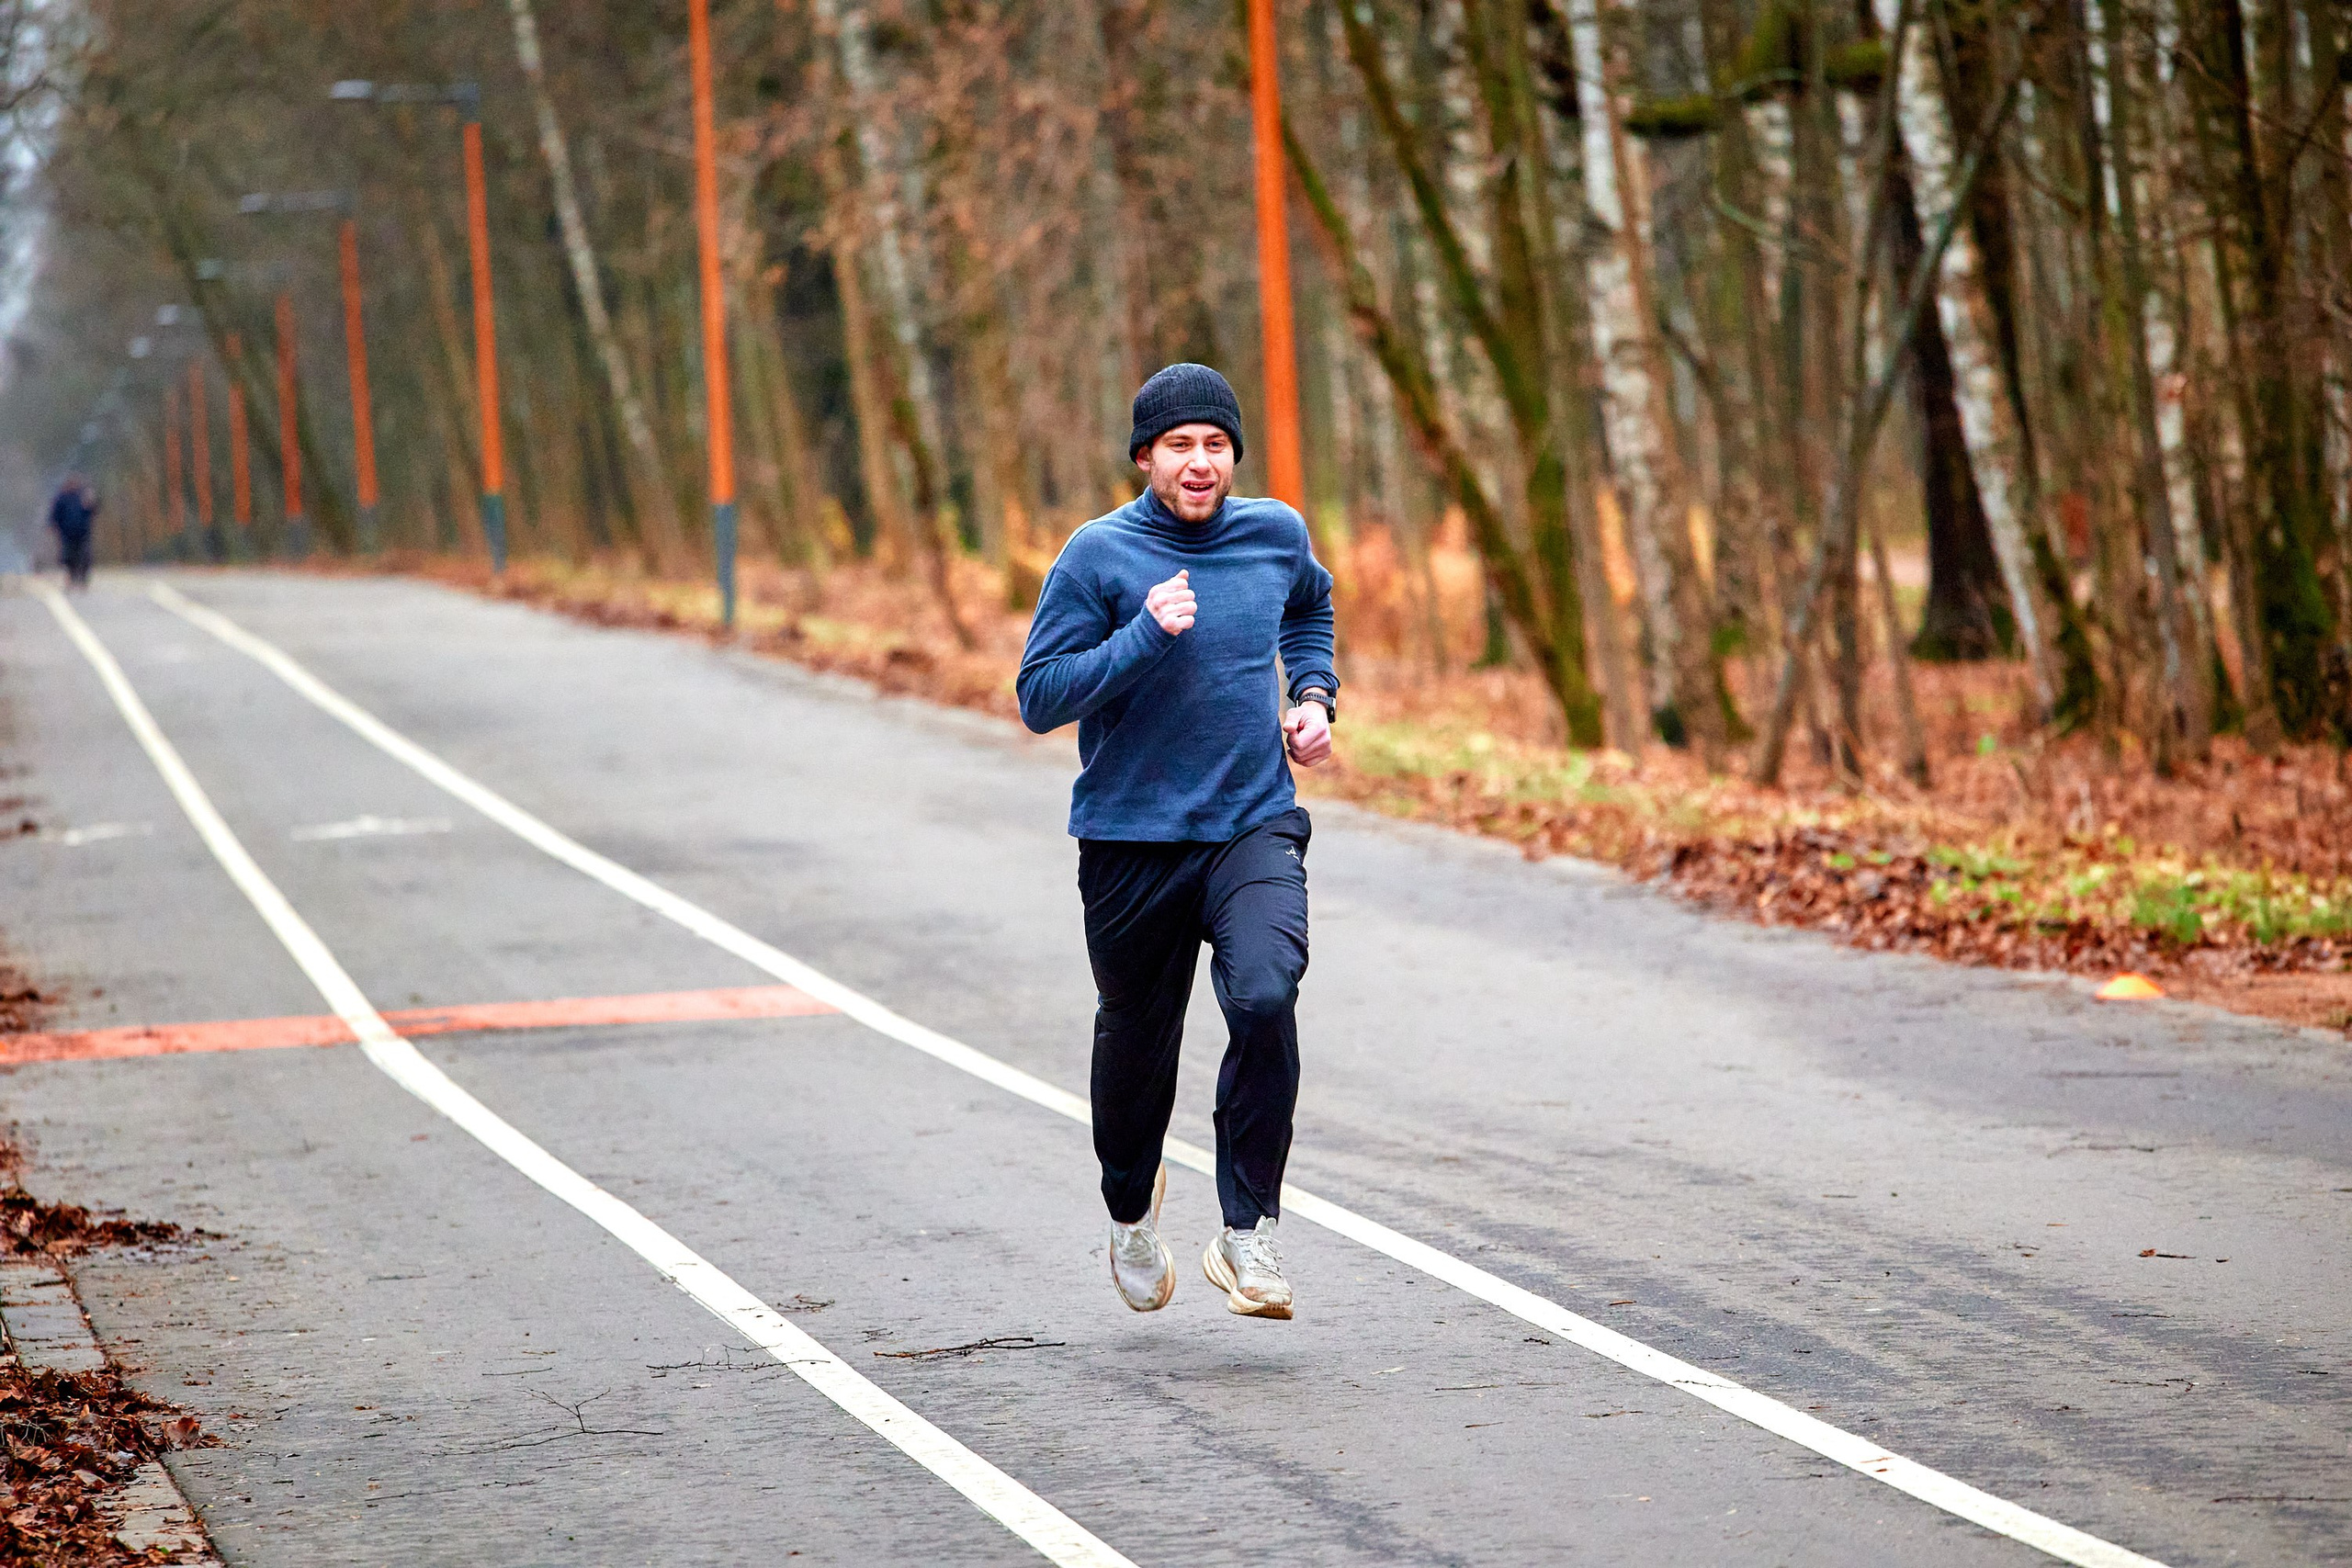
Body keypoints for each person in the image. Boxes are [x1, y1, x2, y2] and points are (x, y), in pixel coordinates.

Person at [1017, 363, 1338, 1321]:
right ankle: (1130, 1208)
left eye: (1214, 444)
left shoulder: (1274, 534)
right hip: (1129, 841)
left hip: (1250, 822)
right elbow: (1039, 697)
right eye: (1178, 445)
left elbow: (1310, 610)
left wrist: (1312, 696)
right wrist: (1143, 637)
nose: (1198, 462)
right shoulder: (1097, 556)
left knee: (1266, 990)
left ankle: (1248, 1238)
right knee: (1136, 1047)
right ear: (1145, 457)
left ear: (1232, 454)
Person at [49, 477, 97, 590]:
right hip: (67, 533)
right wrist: (53, 526)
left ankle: (83, 579)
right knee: (69, 557)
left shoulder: (83, 497)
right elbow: (55, 514)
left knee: (85, 557)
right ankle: (72, 577)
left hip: (83, 533)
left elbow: (92, 512)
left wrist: (91, 504)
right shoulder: (62, 498)